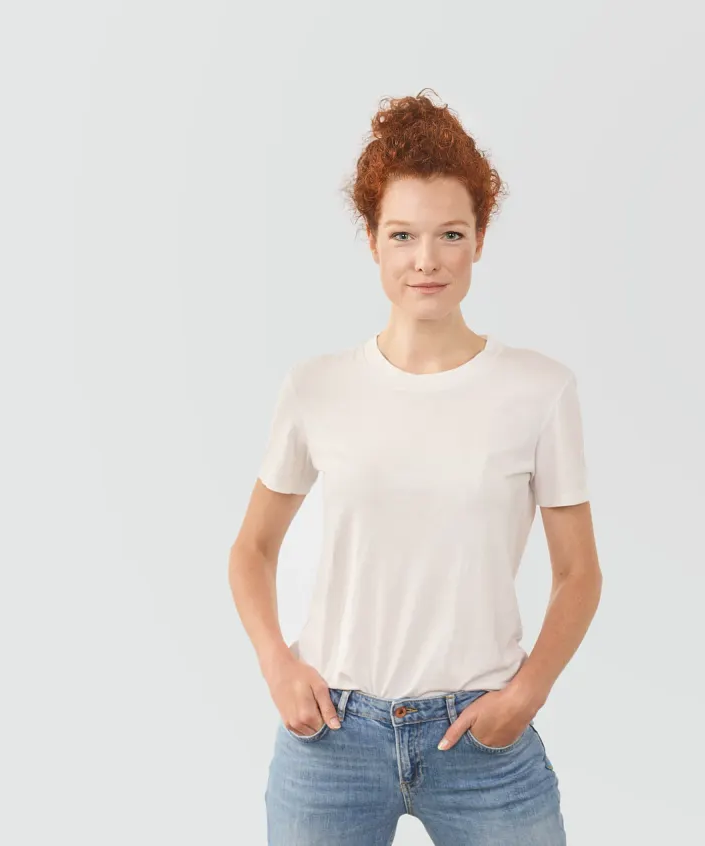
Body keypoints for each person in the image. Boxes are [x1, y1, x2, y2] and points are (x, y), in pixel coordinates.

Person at [227, 89, 604, 846]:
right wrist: (276, 662)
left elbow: (579, 574)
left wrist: (526, 694)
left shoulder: (540, 390)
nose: (426, 260)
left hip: (481, 737)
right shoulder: (317, 387)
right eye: (402, 235)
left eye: (450, 234)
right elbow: (252, 550)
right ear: (371, 240)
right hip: (331, 738)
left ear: (480, 239)